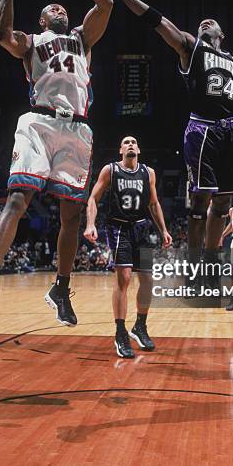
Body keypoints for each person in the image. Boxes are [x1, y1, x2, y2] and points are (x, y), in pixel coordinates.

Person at [87, 0, 233, 289]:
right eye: (201, 24)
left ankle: (210, 266)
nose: (205, 23)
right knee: (199, 205)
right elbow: (155, 19)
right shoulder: (190, 46)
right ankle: (194, 269)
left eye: (210, 23)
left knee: (223, 204)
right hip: (203, 130)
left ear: (222, 34)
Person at [0, 0, 113, 327]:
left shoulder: (84, 38)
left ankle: (61, 287)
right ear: (43, 20)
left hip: (78, 128)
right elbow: (1, 34)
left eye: (62, 7)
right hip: (39, 122)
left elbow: (106, 6)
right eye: (52, 8)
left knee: (72, 215)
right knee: (19, 199)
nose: (60, 8)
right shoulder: (31, 41)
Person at [84, 136, 172, 359]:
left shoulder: (148, 172)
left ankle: (139, 327)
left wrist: (163, 230)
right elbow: (93, 198)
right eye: (126, 142)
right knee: (123, 278)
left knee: (148, 280)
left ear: (139, 149)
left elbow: (153, 203)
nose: (131, 144)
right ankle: (120, 332)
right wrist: (90, 224)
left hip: (142, 228)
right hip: (119, 228)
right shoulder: (110, 170)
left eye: (134, 142)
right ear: (120, 149)